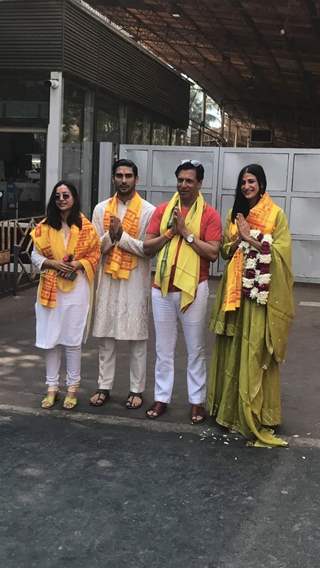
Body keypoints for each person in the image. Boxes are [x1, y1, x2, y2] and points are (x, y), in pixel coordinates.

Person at [207, 164, 294, 447]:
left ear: (261, 183)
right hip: (234, 291)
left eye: (252, 181)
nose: (247, 186)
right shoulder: (236, 214)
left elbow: (281, 252)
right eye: (243, 181)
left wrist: (249, 239)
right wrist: (236, 240)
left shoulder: (275, 215)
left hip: (259, 296)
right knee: (233, 348)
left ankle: (257, 414)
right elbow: (224, 251)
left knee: (254, 350)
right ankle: (229, 411)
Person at [144, 160, 222, 423]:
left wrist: (186, 234)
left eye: (189, 180)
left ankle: (196, 402)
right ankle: (161, 398)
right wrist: (170, 234)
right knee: (163, 349)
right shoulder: (164, 211)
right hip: (162, 288)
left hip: (194, 289)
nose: (183, 185)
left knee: (195, 349)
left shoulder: (210, 215)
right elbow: (147, 247)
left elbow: (212, 253)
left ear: (199, 184)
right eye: (180, 180)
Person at [89, 159, 155, 409]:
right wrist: (110, 236)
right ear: (113, 178)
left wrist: (122, 237)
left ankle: (136, 390)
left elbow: (148, 251)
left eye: (128, 175)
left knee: (137, 338)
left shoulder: (148, 210)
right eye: (119, 175)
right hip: (107, 279)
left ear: (136, 179)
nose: (124, 180)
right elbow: (95, 249)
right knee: (106, 336)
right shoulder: (100, 209)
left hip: (136, 280)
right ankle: (103, 387)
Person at [31, 181, 100, 410]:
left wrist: (77, 265)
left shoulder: (86, 226)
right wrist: (53, 264)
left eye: (66, 195)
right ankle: (52, 387)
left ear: (74, 197)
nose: (62, 199)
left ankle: (72, 388)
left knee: (71, 340)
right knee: (51, 340)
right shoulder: (44, 226)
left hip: (76, 289)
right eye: (58, 195)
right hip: (50, 287)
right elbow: (34, 256)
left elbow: (95, 255)